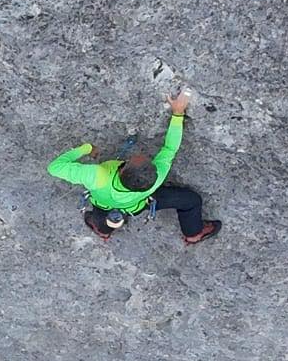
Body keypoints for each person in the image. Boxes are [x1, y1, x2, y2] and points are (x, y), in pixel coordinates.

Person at [46, 89, 220, 245]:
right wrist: (178, 113)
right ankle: (193, 233)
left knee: (100, 214)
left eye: (134, 160)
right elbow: (170, 148)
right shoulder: (158, 175)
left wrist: (86, 148)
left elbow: (54, 168)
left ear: (122, 169)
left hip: (102, 202)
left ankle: (102, 229)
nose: (141, 156)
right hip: (136, 205)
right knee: (191, 201)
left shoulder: (97, 175)